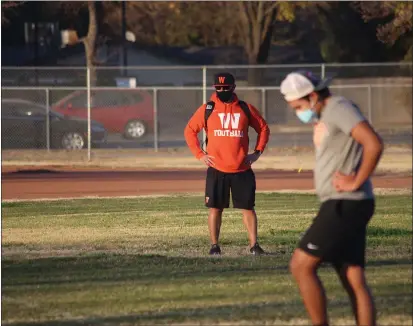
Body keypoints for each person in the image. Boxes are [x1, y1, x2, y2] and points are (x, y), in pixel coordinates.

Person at [280, 70, 384, 326]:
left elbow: (373, 143)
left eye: (299, 107)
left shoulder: (338, 107)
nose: (298, 113)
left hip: (345, 204)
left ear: (313, 95)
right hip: (345, 203)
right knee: (353, 276)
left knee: (301, 265)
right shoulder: (325, 115)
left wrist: (355, 181)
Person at [184, 72, 270, 256]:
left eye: (226, 88)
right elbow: (190, 130)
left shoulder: (245, 108)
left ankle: (254, 245)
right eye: (218, 88)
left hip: (242, 168)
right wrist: (199, 154)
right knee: (215, 208)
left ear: (233, 88)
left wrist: (257, 152)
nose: (222, 91)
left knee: (248, 208)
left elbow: (263, 128)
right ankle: (214, 246)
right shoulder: (208, 108)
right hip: (217, 169)